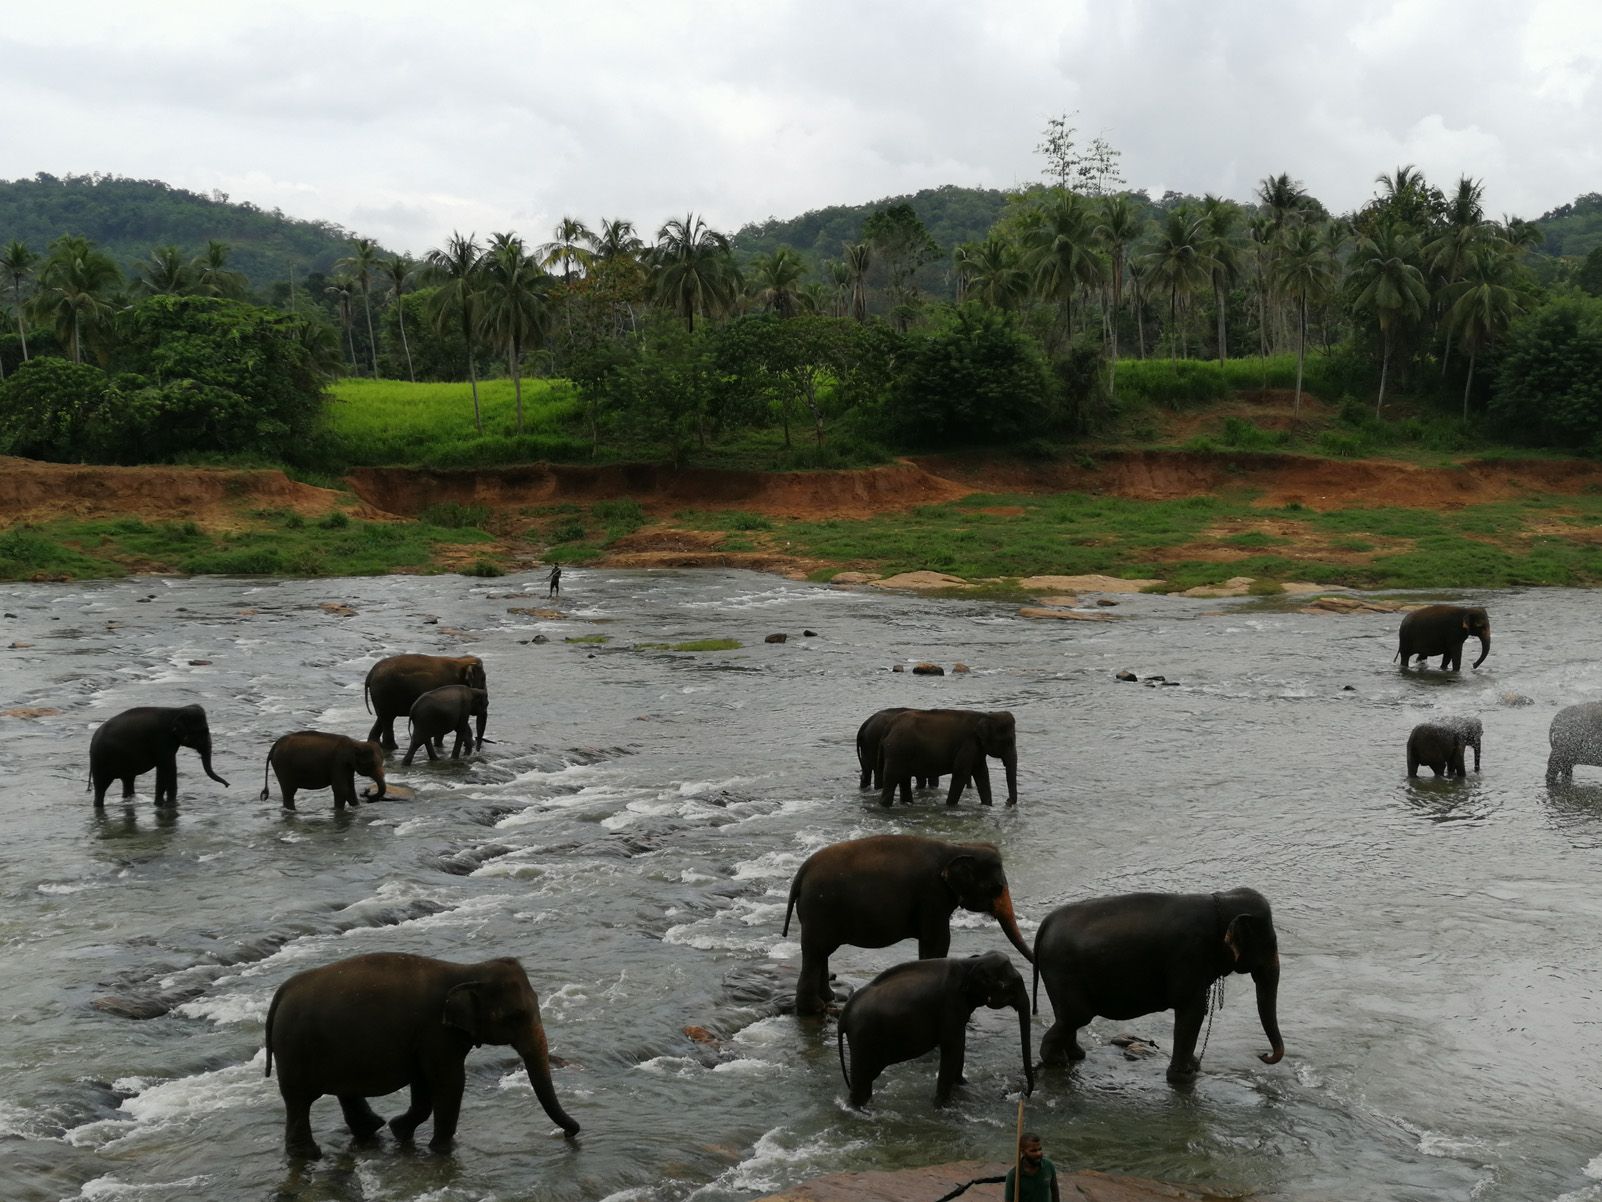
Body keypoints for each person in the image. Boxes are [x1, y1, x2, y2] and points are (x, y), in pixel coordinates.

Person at [1004, 1132, 1060, 1202]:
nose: (1039, 1153)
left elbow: (1055, 1193)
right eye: (1033, 1151)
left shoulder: (1048, 1166)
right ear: (1023, 1152)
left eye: (1040, 1149)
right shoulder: (1014, 1175)